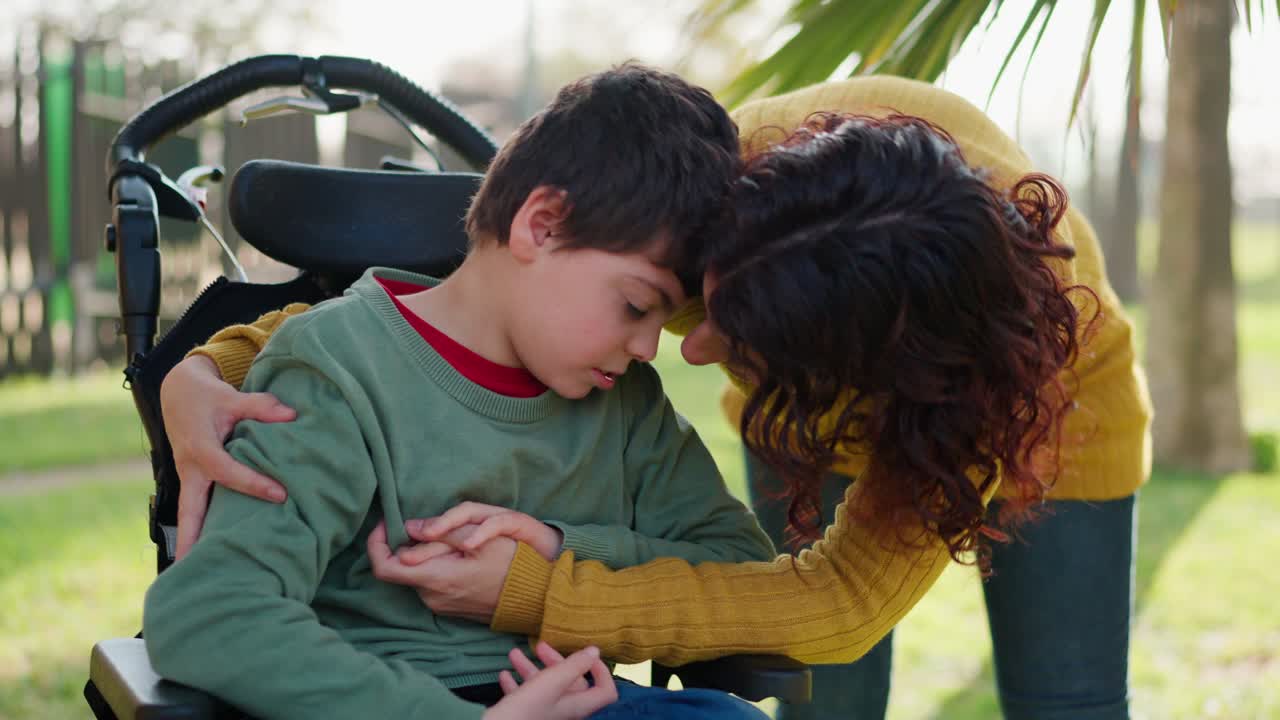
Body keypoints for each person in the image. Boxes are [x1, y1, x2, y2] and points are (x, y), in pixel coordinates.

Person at [162, 76, 1152, 720]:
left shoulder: (622, 385)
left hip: (1015, 412)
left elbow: (815, 598)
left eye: (746, 348)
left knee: (1062, 702)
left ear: (825, 365)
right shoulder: (721, 177)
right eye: (670, 306)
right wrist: (205, 365)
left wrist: (548, 570)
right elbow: (461, 269)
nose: (683, 350)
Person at [143, 63, 779, 720]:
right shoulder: (341, 367)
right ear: (544, 224)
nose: (648, 347)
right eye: (636, 305)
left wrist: (558, 552)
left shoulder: (627, 404)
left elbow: (740, 570)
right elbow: (212, 613)